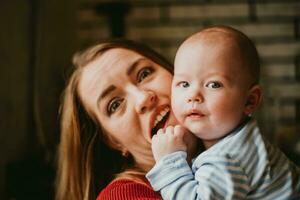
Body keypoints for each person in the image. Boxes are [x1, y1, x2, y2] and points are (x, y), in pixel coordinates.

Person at [146, 26, 300, 199]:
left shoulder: (226, 159)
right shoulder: (242, 137)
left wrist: (169, 161)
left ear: (250, 101)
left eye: (214, 85)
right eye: (184, 84)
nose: (193, 96)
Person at [55, 39, 201, 200]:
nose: (143, 98)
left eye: (144, 74)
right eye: (115, 104)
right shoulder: (122, 196)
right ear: (112, 140)